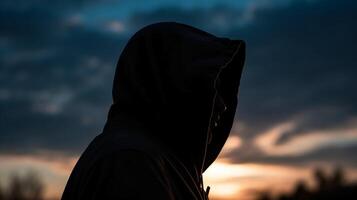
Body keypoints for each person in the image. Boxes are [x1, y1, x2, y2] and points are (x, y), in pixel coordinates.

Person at [61, 22, 245, 200]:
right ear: (172, 85)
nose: (222, 105)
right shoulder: (130, 161)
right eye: (207, 88)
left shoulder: (155, 160)